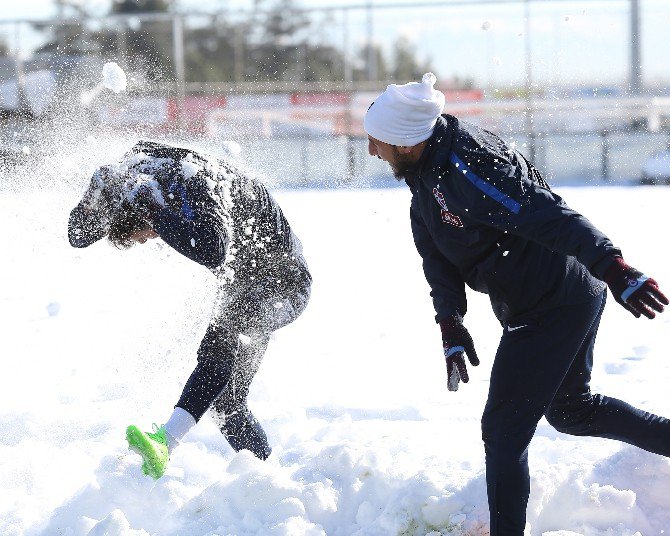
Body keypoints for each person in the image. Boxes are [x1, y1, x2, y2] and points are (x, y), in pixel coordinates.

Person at [364, 73, 670, 535]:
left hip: (554, 299)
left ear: (405, 142)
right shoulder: (426, 171)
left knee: (503, 433)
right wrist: (450, 321)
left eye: (377, 141)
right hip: (547, 295)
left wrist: (614, 266)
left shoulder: (469, 167)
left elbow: (547, 214)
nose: (372, 151)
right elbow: (435, 252)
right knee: (571, 410)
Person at [68, 140, 312, 479]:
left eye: (148, 233)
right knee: (227, 405)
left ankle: (166, 442)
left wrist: (152, 212)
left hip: (283, 286)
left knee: (227, 329)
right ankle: (270, 480)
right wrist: (100, 190)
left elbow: (213, 250)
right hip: (243, 282)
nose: (153, 237)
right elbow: (77, 235)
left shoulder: (194, 183)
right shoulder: (140, 170)